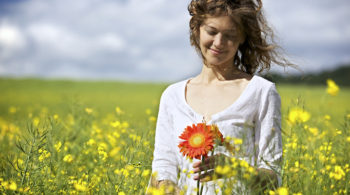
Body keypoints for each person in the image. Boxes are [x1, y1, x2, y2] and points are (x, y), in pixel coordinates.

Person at [148, 0, 292, 194]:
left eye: (230, 36)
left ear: (243, 38)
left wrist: (237, 169)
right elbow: (162, 167)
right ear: (197, 28)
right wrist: (167, 188)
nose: (219, 43)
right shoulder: (172, 96)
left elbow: (273, 177)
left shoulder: (261, 92)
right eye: (212, 31)